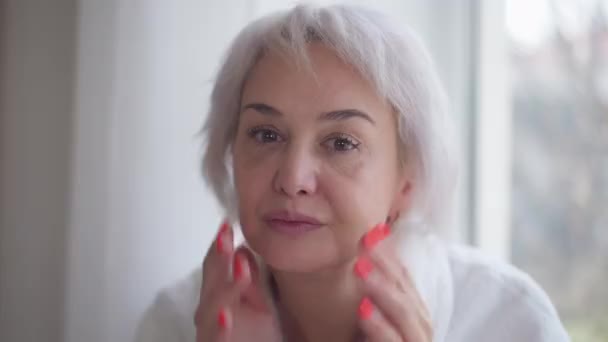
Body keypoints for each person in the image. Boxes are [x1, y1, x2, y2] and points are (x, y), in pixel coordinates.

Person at [135, 4, 570, 342]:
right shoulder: (176, 321)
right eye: (266, 134)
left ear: (406, 182)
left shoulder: (511, 319)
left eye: (341, 143)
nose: (293, 178)